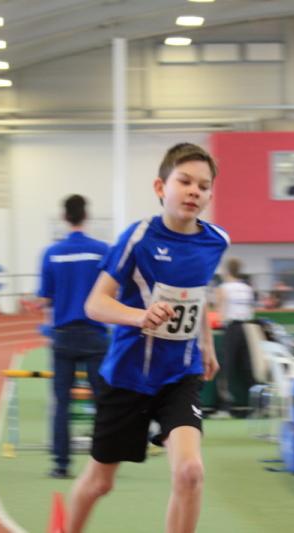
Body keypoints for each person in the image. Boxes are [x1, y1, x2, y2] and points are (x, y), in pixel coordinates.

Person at [68, 143, 227, 533]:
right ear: (161, 187)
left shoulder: (216, 241)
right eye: (184, 181)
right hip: (128, 377)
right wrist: (141, 316)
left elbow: (197, 294)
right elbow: (95, 304)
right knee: (100, 483)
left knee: (190, 471)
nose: (194, 191)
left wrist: (206, 343)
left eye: (203, 186)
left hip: (179, 375)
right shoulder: (137, 238)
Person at [38, 194, 110, 479]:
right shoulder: (102, 251)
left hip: (63, 336)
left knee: (62, 404)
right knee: (104, 403)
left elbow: (46, 299)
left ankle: (61, 464)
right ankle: (106, 460)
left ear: (64, 217)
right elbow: (113, 291)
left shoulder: (51, 254)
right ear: (86, 215)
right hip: (95, 335)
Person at [215, 257, 256, 414]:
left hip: (232, 328)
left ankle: (224, 406)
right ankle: (255, 404)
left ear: (227, 271)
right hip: (247, 328)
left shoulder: (223, 288)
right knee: (248, 367)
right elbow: (251, 310)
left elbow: (220, 312)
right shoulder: (247, 288)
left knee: (226, 367)